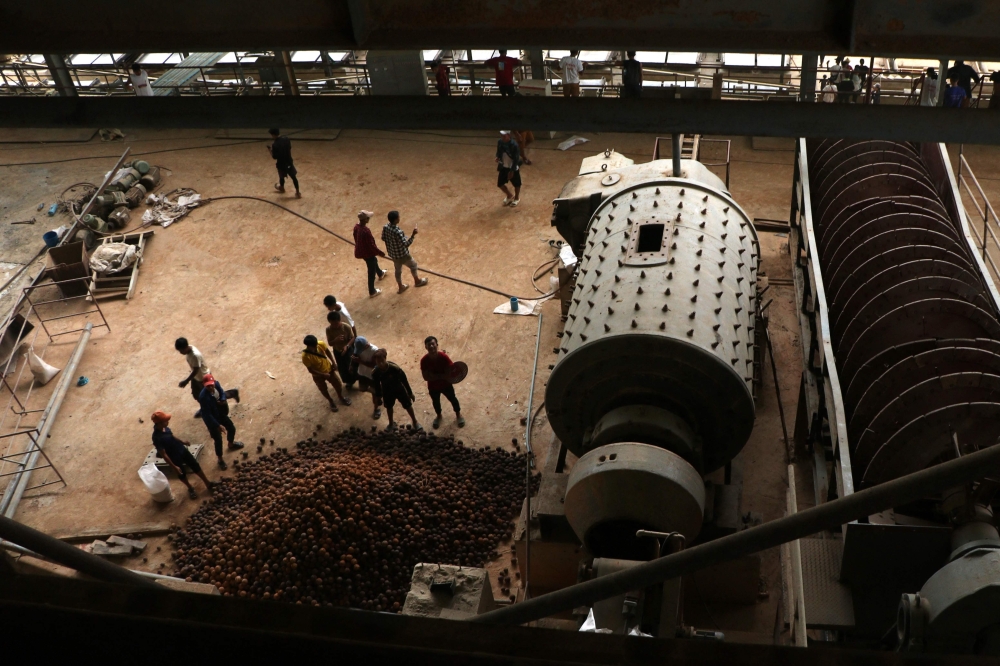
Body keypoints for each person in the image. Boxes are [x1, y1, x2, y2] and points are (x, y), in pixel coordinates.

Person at [150, 411, 217, 500]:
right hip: (174, 456)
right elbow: (164, 454)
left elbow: (172, 436)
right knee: (182, 474)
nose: (168, 422)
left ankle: (207, 483)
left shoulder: (165, 428)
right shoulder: (156, 438)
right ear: (159, 423)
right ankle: (190, 488)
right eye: (166, 420)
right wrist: (174, 467)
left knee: (195, 465)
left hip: (181, 449)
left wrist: (182, 442)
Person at [198, 373, 244, 470]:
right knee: (218, 439)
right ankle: (220, 459)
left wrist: (223, 399)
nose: (211, 387)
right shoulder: (203, 397)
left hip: (220, 413)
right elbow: (207, 415)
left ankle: (231, 444)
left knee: (231, 427)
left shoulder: (217, 384)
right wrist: (217, 425)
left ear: (214, 382)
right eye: (208, 386)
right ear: (204, 385)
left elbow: (222, 392)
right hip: (212, 419)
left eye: (212, 385)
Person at [371, 349, 421, 432]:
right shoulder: (376, 372)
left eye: (382, 361)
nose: (380, 364)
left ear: (385, 358)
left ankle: (415, 421)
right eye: (378, 362)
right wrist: (379, 397)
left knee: (408, 405)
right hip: (386, 391)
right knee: (389, 407)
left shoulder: (394, 368)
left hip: (399, 389)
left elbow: (404, 380)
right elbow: (377, 385)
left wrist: (410, 393)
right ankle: (391, 423)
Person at [420, 336, 465, 429]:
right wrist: (442, 376)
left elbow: (452, 370)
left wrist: (434, 376)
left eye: (433, 344)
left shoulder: (443, 357)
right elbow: (425, 377)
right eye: (429, 345)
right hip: (433, 387)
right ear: (426, 347)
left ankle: (458, 414)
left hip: (446, 384)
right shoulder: (424, 361)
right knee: (436, 402)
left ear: (437, 345)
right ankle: (439, 416)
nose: (431, 346)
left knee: (453, 399)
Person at [301, 335, 352, 412]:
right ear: (308, 346)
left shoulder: (320, 344)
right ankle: (331, 401)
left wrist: (333, 363)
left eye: (316, 344)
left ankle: (340, 397)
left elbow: (327, 352)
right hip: (318, 375)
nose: (316, 347)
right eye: (313, 346)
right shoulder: (305, 356)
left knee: (338, 384)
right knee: (323, 389)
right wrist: (323, 374)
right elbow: (310, 370)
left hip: (329, 369)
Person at [381, 211, 428, 293]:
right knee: (413, 265)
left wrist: (392, 242)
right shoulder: (398, 232)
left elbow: (383, 238)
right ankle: (417, 281)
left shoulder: (385, 227)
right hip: (403, 254)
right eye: (398, 217)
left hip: (393, 254)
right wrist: (413, 235)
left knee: (398, 270)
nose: (400, 218)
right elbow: (406, 244)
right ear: (396, 220)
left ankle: (400, 287)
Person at [353, 210, 387, 298]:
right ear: (365, 220)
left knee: (374, 260)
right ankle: (372, 291)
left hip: (361, 251)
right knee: (371, 271)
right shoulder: (366, 231)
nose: (369, 219)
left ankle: (380, 273)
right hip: (367, 252)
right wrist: (380, 253)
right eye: (368, 218)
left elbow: (355, 237)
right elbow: (371, 245)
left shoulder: (356, 227)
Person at [175, 337, 210, 417]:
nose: (180, 353)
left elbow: (196, 370)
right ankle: (204, 408)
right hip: (197, 378)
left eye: (181, 350)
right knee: (196, 394)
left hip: (203, 378)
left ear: (185, 347)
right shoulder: (189, 350)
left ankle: (232, 393)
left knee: (211, 396)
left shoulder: (195, 355)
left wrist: (186, 381)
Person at [349, 336, 383, 419]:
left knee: (375, 397)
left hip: (372, 375)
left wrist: (360, 361)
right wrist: (351, 365)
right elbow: (354, 355)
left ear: (366, 345)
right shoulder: (358, 347)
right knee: (362, 388)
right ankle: (376, 392)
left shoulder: (374, 350)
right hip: (362, 373)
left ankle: (376, 409)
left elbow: (375, 365)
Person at [325, 311, 356, 388]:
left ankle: (356, 378)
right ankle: (349, 381)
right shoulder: (328, 329)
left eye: (336, 323)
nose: (335, 326)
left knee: (351, 365)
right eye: (332, 324)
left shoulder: (346, 327)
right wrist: (335, 340)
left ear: (340, 320)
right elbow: (330, 343)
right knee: (342, 367)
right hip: (338, 351)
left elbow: (352, 338)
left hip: (348, 350)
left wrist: (347, 346)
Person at [267, 128, 300, 198]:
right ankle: (297, 192)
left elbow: (274, 157)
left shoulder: (275, 144)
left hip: (281, 164)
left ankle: (282, 187)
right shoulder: (286, 139)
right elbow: (289, 148)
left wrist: (270, 150)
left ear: (273, 135)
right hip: (289, 162)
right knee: (294, 177)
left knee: (281, 177)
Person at [496, 130, 522, 207]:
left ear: (509, 135)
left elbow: (516, 159)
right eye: (501, 135)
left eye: (504, 136)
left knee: (517, 184)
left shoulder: (514, 145)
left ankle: (517, 198)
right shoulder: (500, 142)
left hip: (512, 167)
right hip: (504, 166)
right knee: (500, 184)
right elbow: (498, 151)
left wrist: (512, 171)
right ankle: (509, 195)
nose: (502, 137)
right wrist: (497, 157)